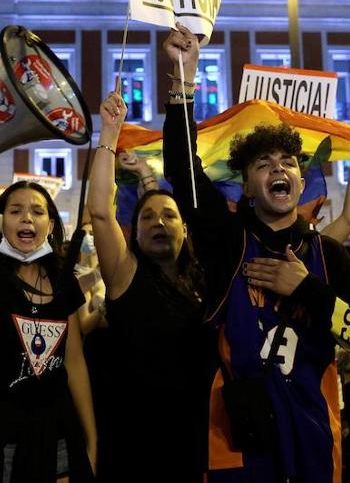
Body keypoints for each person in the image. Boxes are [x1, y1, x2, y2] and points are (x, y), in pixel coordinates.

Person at [160, 24, 350, 483]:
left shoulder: (331, 256)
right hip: (237, 443)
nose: (278, 169)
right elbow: (183, 172)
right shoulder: (227, 241)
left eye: (288, 163)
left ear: (300, 183)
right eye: (263, 164)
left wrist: (305, 289)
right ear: (247, 187)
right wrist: (183, 80)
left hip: (313, 442)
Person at [87, 90, 210, 482]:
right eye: (147, 217)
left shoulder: (207, 284)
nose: (158, 222)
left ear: (185, 228)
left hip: (196, 444)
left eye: (169, 216)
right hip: (133, 448)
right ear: (134, 233)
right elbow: (100, 212)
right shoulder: (125, 275)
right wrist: (109, 132)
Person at [0, 181, 96, 483]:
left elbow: (74, 363)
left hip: (57, 436)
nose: (27, 218)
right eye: (15, 211)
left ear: (50, 225)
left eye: (37, 211)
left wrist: (91, 439)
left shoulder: (63, 282)